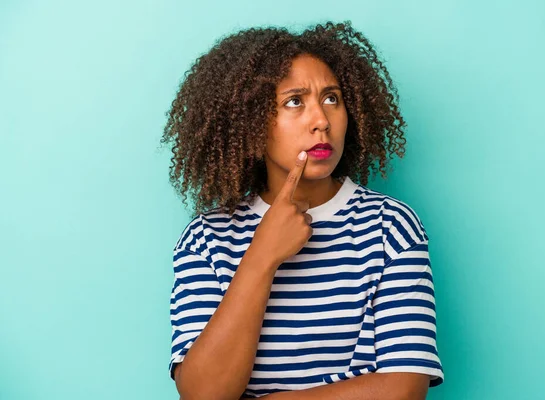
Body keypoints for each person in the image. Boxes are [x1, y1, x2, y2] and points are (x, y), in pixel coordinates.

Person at [160, 20, 444, 399]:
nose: (321, 121)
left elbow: (403, 389)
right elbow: (200, 394)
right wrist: (261, 255)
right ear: (250, 122)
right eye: (294, 101)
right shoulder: (206, 240)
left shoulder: (391, 228)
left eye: (332, 98)